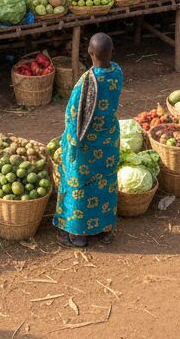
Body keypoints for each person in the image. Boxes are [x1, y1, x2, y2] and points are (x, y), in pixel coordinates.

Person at [55, 32, 122, 248]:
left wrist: (68, 144)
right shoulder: (117, 73)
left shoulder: (86, 82)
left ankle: (77, 233)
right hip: (107, 141)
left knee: (78, 184)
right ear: (111, 52)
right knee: (103, 183)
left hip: (85, 146)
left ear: (89, 53)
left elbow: (73, 116)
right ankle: (101, 228)